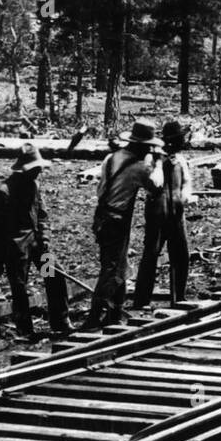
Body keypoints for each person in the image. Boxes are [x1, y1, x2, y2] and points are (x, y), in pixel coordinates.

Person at [83, 119, 164, 331]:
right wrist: (158, 163)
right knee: (111, 270)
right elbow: (156, 187)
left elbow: (101, 190)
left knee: (118, 265)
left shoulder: (111, 158)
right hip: (118, 219)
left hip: (102, 216)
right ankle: (94, 317)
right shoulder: (139, 168)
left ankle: (114, 313)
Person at [0, 143, 70, 341]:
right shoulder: (4, 192)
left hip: (38, 245)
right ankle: (25, 330)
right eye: (35, 168)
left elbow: (42, 215)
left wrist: (45, 238)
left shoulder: (34, 185)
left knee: (54, 275)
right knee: (19, 288)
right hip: (16, 249)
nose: (39, 171)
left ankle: (60, 321)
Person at [133, 119, 194, 308]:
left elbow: (187, 182)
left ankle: (179, 297)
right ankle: (142, 299)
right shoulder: (153, 159)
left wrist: (185, 195)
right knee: (151, 255)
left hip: (177, 213)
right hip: (157, 214)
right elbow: (148, 182)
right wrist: (159, 162)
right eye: (181, 138)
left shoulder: (181, 160)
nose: (184, 141)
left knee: (181, 255)